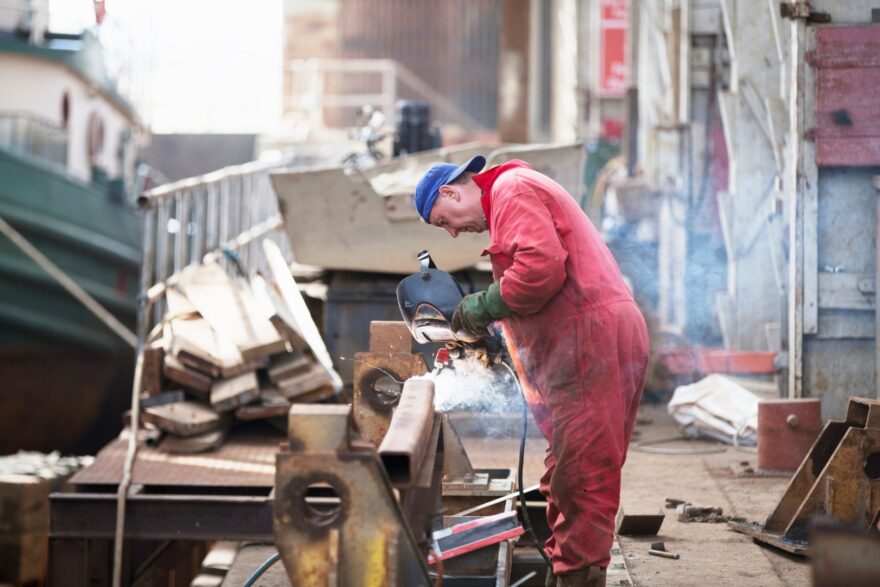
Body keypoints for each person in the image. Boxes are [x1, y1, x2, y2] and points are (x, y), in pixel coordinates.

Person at [413, 155, 649, 586]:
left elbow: (539, 271)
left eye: (443, 220)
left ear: (450, 191)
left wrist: (483, 306)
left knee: (582, 475)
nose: (452, 231)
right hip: (578, 343)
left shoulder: (512, 190)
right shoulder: (511, 196)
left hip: (588, 341)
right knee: (566, 471)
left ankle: (578, 577)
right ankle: (569, 570)